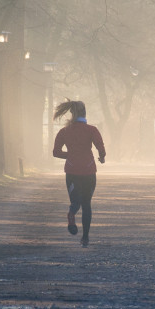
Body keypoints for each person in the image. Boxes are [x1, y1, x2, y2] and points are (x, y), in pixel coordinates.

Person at [52, 100, 106, 247]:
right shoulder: (92, 130)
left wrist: (70, 155)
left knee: (75, 202)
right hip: (89, 171)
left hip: (71, 171)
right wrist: (102, 158)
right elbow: (100, 148)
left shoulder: (64, 132)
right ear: (85, 113)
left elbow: (55, 152)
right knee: (87, 204)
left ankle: (71, 214)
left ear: (72, 113)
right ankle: (85, 238)